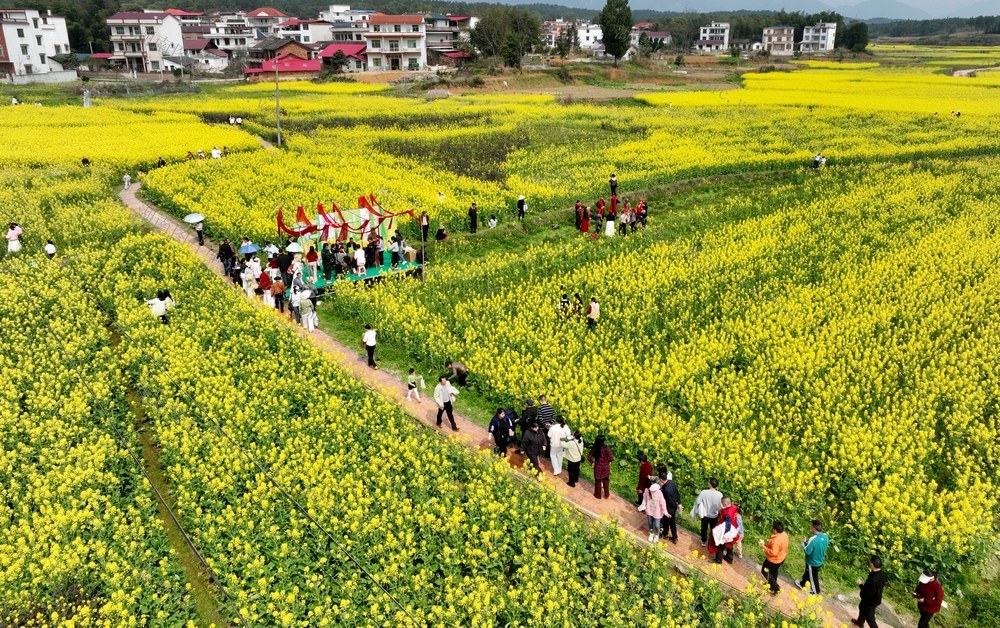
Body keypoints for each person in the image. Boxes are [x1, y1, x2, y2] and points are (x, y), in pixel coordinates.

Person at [854, 556, 888, 628]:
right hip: (875, 598)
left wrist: (860, 585)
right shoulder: (882, 574)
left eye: (870, 562)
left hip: (870, 601)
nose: (869, 563)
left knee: (870, 618)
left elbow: (868, 593)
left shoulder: (873, 579)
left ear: (872, 564)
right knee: (862, 608)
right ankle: (859, 622)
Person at [798, 520, 830, 595]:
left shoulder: (813, 539)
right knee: (807, 573)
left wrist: (804, 543)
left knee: (813, 577)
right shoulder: (825, 536)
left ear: (814, 529)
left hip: (812, 562)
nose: (810, 528)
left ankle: (816, 591)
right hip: (820, 560)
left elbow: (807, 551)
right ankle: (802, 584)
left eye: (811, 526)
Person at [691, 478, 723, 547]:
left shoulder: (703, 492)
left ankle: (703, 541)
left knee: (704, 528)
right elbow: (721, 506)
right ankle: (712, 542)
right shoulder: (720, 494)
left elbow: (698, 501)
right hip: (715, 515)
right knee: (713, 529)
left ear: (710, 484)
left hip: (705, 514)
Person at [759, 521, 788, 594]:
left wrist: (764, 547)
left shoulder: (776, 541)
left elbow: (773, 553)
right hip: (781, 558)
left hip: (773, 560)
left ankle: (776, 587)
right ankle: (771, 585)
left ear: (775, 530)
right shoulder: (784, 534)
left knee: (765, 571)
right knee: (774, 572)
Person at [710, 497, 739, 564]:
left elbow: (727, 525)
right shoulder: (734, 507)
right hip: (734, 528)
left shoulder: (727, 513)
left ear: (725, 504)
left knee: (720, 544)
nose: (721, 504)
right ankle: (729, 558)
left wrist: (723, 534)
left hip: (727, 530)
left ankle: (718, 560)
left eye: (722, 503)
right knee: (729, 544)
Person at [641, 477, 667, 544]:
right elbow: (644, 499)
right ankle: (651, 533)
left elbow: (663, 503)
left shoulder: (659, 493)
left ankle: (656, 535)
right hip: (649, 511)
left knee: (657, 525)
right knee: (650, 524)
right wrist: (643, 505)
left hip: (657, 512)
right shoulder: (647, 491)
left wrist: (665, 511)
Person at [659, 472, 682, 543]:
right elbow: (677, 493)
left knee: (666, 522)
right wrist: (679, 503)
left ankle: (665, 534)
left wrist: (677, 506)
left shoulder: (666, 489)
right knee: (672, 523)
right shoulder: (671, 482)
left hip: (669, 508)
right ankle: (674, 537)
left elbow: (670, 500)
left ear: (661, 479)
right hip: (673, 508)